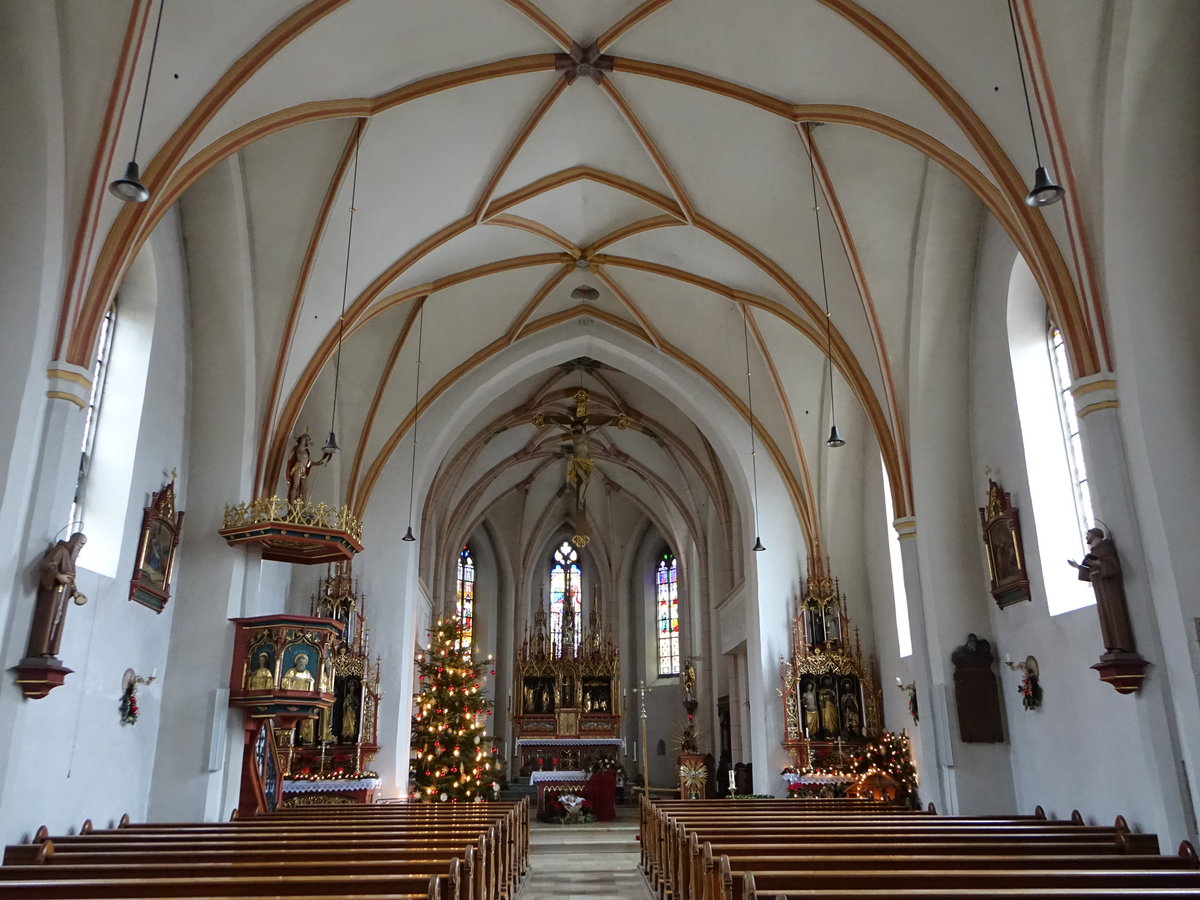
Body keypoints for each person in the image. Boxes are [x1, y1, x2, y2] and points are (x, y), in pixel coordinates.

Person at [1069, 528, 1136, 653]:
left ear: (1095, 535)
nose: (1086, 537)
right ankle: (1111, 645)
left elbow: (1114, 568)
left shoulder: (1105, 548)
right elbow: (1091, 573)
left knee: (1113, 613)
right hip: (1099, 587)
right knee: (1104, 615)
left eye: (1088, 535)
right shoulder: (1094, 551)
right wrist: (1078, 567)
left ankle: (1121, 645)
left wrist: (1099, 562)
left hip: (1109, 587)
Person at [26, 532, 88, 659]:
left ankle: (51, 650)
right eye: (80, 544)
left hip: (64, 593)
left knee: (57, 622)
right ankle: (41, 649)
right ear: (74, 540)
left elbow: (70, 579)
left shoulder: (71, 558)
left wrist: (75, 592)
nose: (81, 547)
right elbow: (47, 565)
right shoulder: (60, 550)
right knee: (49, 619)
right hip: (53, 592)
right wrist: (58, 575)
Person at [285, 432, 331, 504]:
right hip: (298, 468)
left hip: (304, 470)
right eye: (308, 441)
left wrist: (317, 463)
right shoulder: (298, 449)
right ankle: (291, 505)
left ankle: (304, 507)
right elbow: (297, 452)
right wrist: (304, 438)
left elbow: (308, 463)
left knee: (306, 488)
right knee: (295, 485)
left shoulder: (307, 451)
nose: (309, 442)